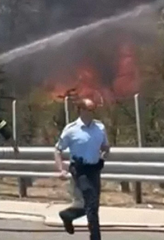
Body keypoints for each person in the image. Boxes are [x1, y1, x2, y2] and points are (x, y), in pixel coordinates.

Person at [54, 97, 110, 240]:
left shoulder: (100, 127)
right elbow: (58, 149)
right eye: (89, 109)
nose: (92, 112)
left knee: (93, 205)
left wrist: (105, 152)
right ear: (81, 110)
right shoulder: (71, 129)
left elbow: (105, 146)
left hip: (94, 168)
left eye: (93, 110)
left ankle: (68, 215)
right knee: (90, 199)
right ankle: (95, 237)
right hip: (79, 169)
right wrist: (61, 169)